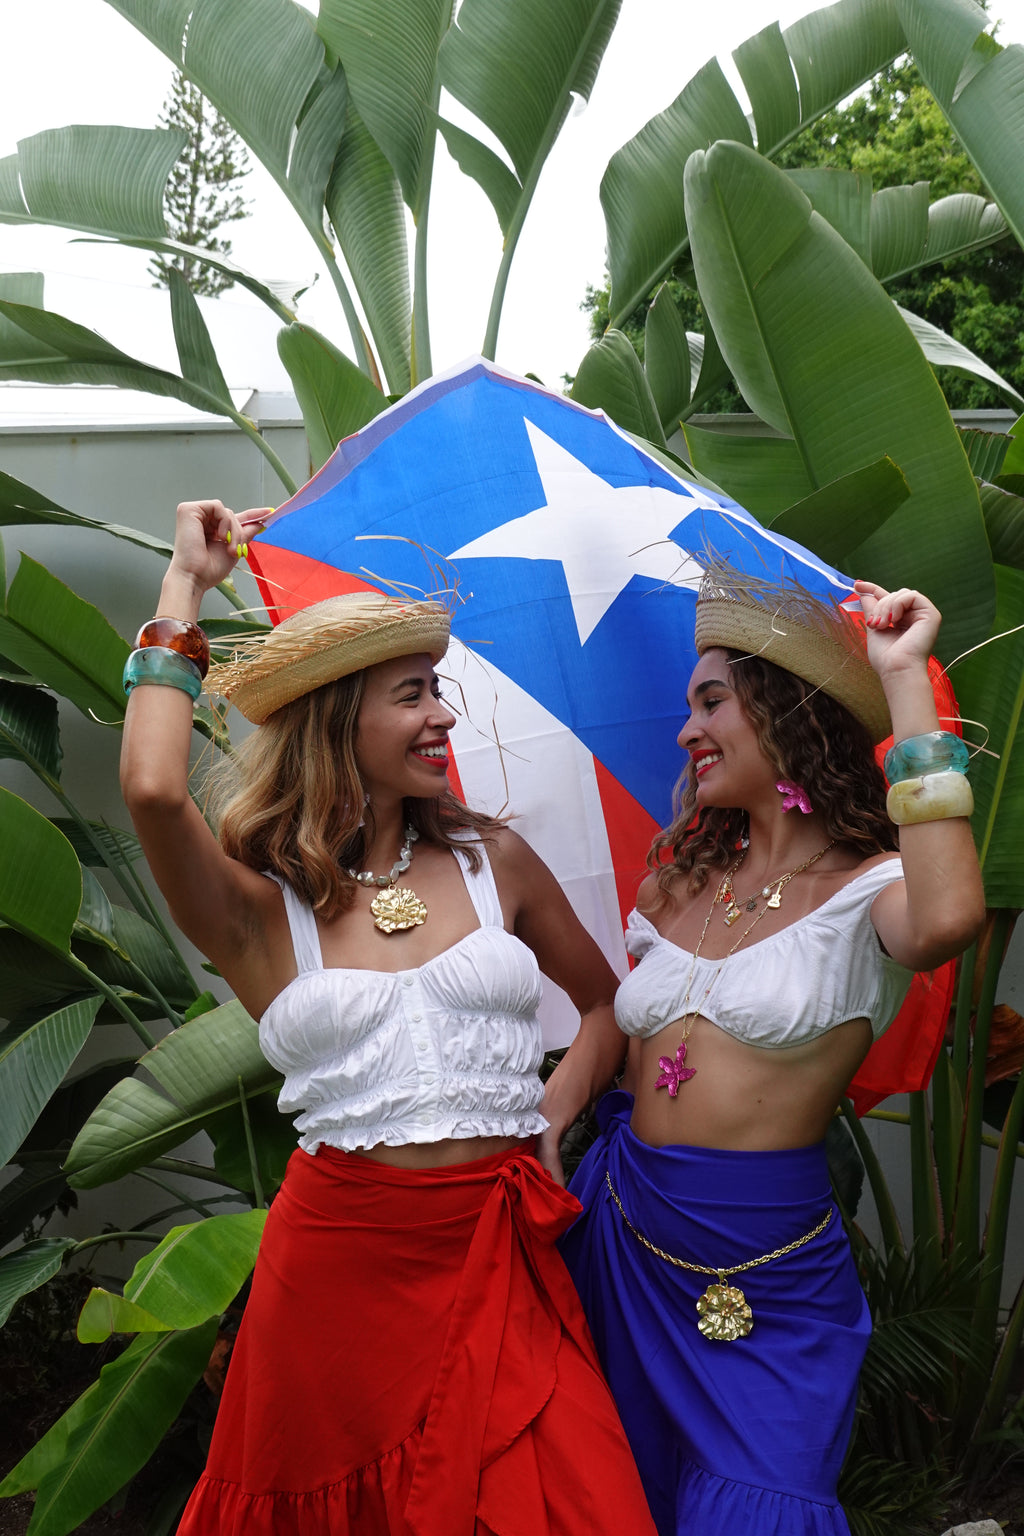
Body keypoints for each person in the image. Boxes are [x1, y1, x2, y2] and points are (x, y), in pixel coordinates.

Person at [119, 499, 658, 1536]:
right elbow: (150, 789)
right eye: (411, 695)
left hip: (500, 1256)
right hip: (336, 1277)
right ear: (337, 720)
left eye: (438, 691)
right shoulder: (257, 907)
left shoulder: (490, 860)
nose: (443, 717)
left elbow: (603, 1006)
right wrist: (184, 586)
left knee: (579, 1505)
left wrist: (552, 1110)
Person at [556, 557, 986, 1536]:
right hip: (619, 1230)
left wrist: (905, 676)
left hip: (762, 1268)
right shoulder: (675, 881)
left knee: (759, 1507)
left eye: (711, 702)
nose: (685, 731)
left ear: (784, 714)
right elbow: (613, 1034)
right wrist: (552, 1119)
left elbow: (953, 915)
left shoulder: (869, 892)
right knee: (608, 1496)